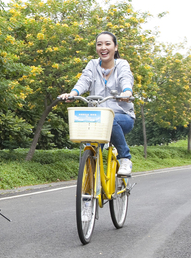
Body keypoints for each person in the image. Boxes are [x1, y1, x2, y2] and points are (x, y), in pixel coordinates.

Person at [58, 31, 135, 176]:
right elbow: (84, 81)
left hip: (122, 116)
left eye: (107, 44)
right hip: (97, 118)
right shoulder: (92, 65)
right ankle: (90, 191)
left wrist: (126, 92)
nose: (103, 47)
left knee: (110, 120)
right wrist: (72, 94)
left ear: (115, 47)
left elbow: (126, 78)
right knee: (91, 148)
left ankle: (125, 158)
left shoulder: (122, 64)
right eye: (99, 44)